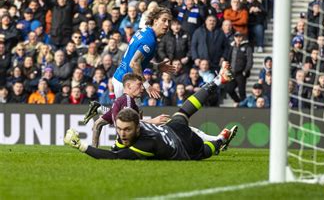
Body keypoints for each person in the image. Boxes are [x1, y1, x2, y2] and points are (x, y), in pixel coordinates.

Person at [64, 64, 238, 160]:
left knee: (205, 151)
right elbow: (108, 124)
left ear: (138, 128)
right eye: (120, 129)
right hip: (172, 128)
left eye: (126, 129)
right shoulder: (126, 106)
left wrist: (82, 146)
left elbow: (112, 156)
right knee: (183, 112)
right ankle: (217, 81)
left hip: (183, 145)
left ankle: (220, 140)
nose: (123, 133)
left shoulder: (143, 145)